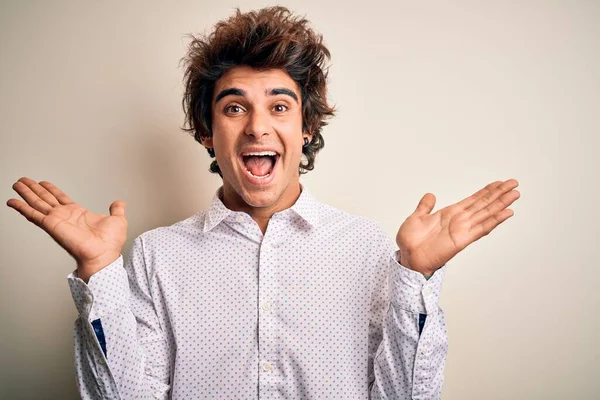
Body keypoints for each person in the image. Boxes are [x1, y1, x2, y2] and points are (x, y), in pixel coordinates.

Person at [6, 6, 520, 400]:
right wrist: (98, 270)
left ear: (307, 127)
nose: (257, 125)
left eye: (279, 105)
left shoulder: (369, 248)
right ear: (208, 132)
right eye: (235, 107)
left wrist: (417, 278)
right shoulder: (156, 256)